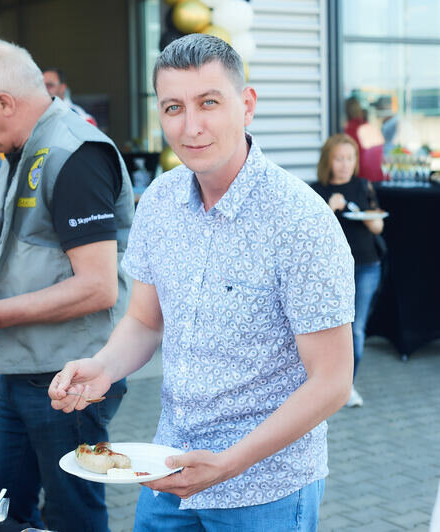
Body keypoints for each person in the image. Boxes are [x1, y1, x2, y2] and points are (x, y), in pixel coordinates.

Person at [48, 34, 355, 531]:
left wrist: (231, 461)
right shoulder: (160, 202)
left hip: (266, 488)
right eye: (173, 108)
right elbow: (145, 322)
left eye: (208, 102)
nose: (191, 126)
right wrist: (103, 367)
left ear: (246, 104)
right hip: (169, 470)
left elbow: (334, 380)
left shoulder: (301, 219)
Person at [0, 32, 134, 531]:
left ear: (2, 100)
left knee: (72, 513)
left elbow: (98, 287)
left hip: (69, 377)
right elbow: (18, 254)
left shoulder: (73, 152)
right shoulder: (22, 150)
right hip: (24, 368)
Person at [312, 133, 384, 408]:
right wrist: (330, 209)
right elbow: (313, 235)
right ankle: (326, 384)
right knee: (328, 330)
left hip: (366, 266)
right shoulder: (316, 191)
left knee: (356, 330)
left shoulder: (363, 186)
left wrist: (368, 217)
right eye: (339, 158)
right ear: (328, 161)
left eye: (349, 158)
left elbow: (378, 227)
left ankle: (347, 385)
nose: (344, 164)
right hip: (330, 271)